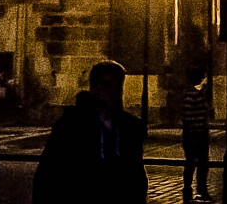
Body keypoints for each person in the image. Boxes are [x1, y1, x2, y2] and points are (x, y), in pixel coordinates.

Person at [32, 59, 147, 204]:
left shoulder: (130, 127)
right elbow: (48, 175)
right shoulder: (71, 126)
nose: (114, 91)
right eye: (107, 85)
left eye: (118, 85)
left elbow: (136, 176)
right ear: (94, 88)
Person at [181, 73, 214, 200]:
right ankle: (200, 189)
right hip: (197, 133)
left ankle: (189, 188)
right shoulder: (194, 94)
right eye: (204, 77)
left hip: (191, 134)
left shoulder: (191, 93)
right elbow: (191, 115)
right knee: (201, 163)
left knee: (191, 162)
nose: (206, 79)